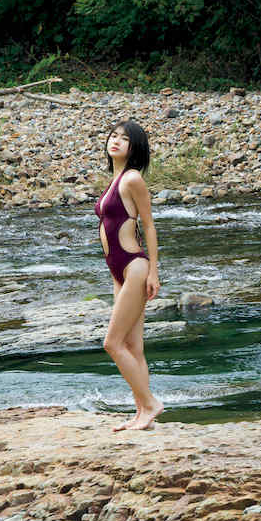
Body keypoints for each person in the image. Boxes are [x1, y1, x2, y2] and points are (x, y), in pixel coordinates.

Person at [95, 119, 164, 430]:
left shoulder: (132, 178)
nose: (116, 141)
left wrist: (153, 272)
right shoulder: (115, 179)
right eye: (113, 136)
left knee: (112, 343)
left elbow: (148, 224)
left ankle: (150, 403)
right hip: (119, 272)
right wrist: (115, 279)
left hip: (135, 267)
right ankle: (142, 413)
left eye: (124, 139)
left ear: (134, 147)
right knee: (134, 347)